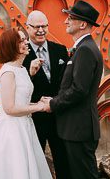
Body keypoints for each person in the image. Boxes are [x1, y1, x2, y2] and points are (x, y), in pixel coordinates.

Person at [0, 28, 52, 179]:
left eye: (25, 39)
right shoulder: (8, 72)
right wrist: (39, 107)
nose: (26, 42)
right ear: (11, 46)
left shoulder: (21, 69)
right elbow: (9, 108)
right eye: (21, 40)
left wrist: (36, 101)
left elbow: (21, 99)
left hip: (25, 126)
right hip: (12, 130)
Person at [41, 1, 103, 179]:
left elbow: (79, 90)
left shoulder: (85, 50)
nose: (65, 22)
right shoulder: (83, 48)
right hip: (76, 128)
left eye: (70, 18)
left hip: (79, 129)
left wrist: (53, 104)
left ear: (82, 24)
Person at [23, 10, 71, 178]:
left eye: (44, 26)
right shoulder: (21, 53)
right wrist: (30, 73)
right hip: (34, 118)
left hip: (58, 115)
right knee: (35, 163)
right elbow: (18, 85)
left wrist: (56, 102)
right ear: (27, 28)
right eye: (37, 27)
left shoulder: (60, 50)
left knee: (64, 161)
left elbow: (67, 82)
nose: (41, 30)